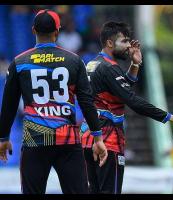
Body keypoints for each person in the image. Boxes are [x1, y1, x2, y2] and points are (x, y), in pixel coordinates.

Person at [0, 9, 107, 194]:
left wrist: (3, 138)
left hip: (34, 141)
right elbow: (87, 102)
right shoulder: (74, 61)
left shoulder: (19, 62)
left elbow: (8, 105)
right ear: (57, 31)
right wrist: (97, 137)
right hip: (67, 142)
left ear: (33, 30)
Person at [80, 21, 173, 194]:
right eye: (124, 41)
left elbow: (120, 89)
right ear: (110, 43)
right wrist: (169, 117)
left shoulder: (93, 64)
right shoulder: (110, 68)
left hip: (88, 139)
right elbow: (133, 101)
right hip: (108, 141)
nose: (128, 46)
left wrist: (135, 64)